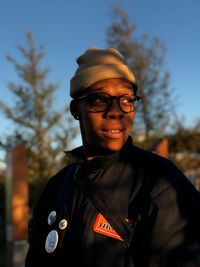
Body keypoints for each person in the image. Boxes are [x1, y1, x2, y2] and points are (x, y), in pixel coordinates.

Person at [25, 47, 200, 267]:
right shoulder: (57, 186)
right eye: (99, 99)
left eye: (127, 99)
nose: (116, 111)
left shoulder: (162, 185)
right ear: (75, 109)